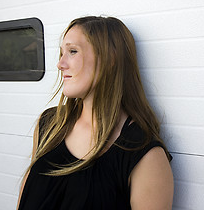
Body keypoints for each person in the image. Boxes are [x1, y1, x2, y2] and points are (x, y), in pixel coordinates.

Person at [17, 16, 174, 210]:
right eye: (61, 53)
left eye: (72, 51)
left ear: (109, 59)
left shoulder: (144, 154)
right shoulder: (49, 124)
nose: (60, 64)